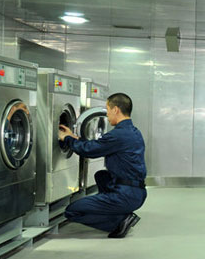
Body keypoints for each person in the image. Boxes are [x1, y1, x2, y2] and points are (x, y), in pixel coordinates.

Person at [58, 92, 147, 239]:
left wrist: (66, 138)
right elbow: (98, 145)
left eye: (107, 109)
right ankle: (115, 211)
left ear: (116, 110)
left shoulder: (118, 135)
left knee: (72, 211)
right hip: (137, 191)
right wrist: (74, 138)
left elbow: (89, 151)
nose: (107, 114)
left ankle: (119, 222)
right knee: (101, 175)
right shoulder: (132, 132)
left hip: (126, 195)